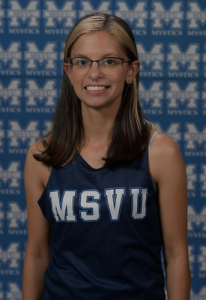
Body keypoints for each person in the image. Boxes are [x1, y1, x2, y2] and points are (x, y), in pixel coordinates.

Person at [22, 12, 191, 300]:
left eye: (109, 61)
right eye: (82, 62)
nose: (94, 73)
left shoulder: (161, 152)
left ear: (131, 71)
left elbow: (175, 255)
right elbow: (38, 253)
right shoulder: (43, 155)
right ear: (68, 71)